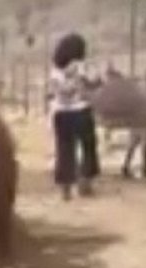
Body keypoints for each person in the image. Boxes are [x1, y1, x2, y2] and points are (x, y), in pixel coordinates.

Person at [50, 32, 101, 200]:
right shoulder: (81, 67)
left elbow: (58, 91)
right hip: (81, 110)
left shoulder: (55, 70)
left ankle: (65, 186)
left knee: (64, 149)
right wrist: (83, 79)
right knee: (88, 147)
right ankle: (85, 181)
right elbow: (93, 83)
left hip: (61, 113)